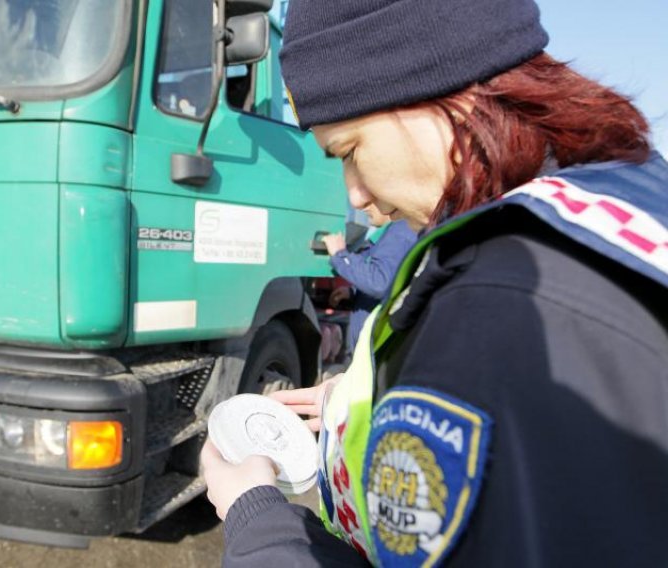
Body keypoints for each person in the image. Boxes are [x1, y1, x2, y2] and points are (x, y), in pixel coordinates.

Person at [201, 0, 668, 565]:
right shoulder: (619, 199)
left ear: (440, 88)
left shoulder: (501, 300)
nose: (355, 196)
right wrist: (369, 398)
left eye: (349, 151)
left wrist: (258, 516)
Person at [322, 207, 416, 358]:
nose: (363, 206)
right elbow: (390, 281)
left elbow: (379, 283)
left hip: (377, 351)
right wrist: (353, 293)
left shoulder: (399, 232)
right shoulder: (398, 231)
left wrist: (340, 255)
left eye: (372, 198)